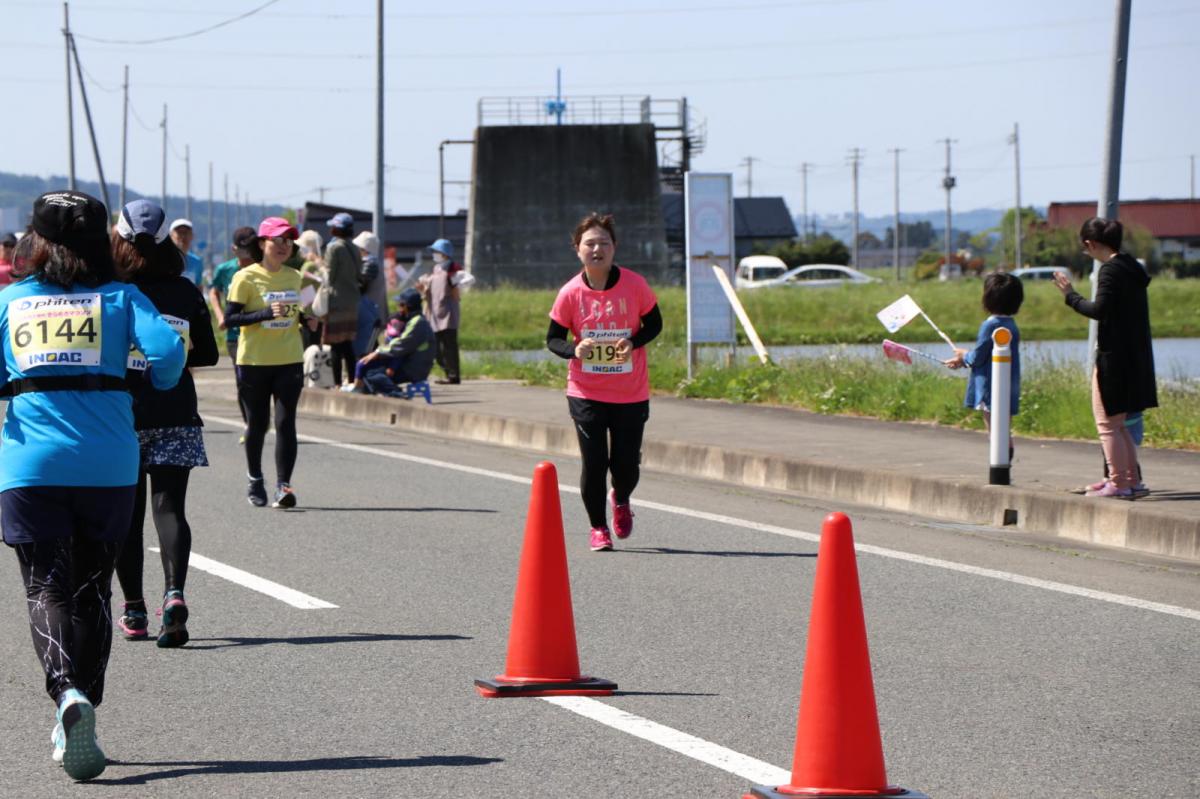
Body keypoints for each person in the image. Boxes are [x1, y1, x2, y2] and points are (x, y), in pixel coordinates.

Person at [0, 191, 185, 780]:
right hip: (109, 463)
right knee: (92, 592)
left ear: (38, 243)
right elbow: (170, 360)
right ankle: (83, 708)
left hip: (31, 465)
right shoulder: (122, 297)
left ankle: (65, 696)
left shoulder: (11, 302)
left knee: (45, 590)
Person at [110, 199, 219, 649]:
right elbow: (209, 354)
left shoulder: (111, 292)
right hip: (176, 412)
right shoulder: (186, 292)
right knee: (170, 509)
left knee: (126, 517)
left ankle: (134, 610)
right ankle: (174, 594)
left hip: (120, 416)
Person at [546, 213, 662, 552]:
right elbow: (553, 338)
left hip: (630, 392)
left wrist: (634, 342)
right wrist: (574, 348)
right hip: (586, 392)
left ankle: (621, 498)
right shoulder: (570, 293)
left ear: (614, 248)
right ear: (577, 249)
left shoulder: (635, 285)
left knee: (626, 465)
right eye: (590, 244)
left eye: (604, 243)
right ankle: (598, 527)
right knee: (593, 463)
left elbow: (654, 325)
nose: (597, 249)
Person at [1054, 217, 1157, 500]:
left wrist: (1069, 295)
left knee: (1107, 423)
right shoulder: (1132, 266)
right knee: (1119, 423)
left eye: (1086, 248)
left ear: (1092, 244)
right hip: (1133, 355)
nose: (1087, 252)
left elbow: (1099, 309)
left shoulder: (1110, 271)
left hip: (1114, 358)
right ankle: (1130, 481)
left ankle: (1118, 483)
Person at [224, 217, 316, 508]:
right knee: (258, 424)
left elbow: (294, 310)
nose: (284, 246)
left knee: (286, 423)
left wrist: (305, 318)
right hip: (254, 361)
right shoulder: (245, 277)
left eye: (289, 241)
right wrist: (263, 314)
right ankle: (255, 479)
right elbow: (230, 320)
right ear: (262, 243)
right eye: (278, 240)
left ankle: (283, 487)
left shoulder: (294, 276)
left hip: (289, 359)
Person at [944, 272, 1023, 460]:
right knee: (1003, 427)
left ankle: (1000, 465)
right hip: (1009, 383)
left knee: (994, 427)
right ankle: (1004, 461)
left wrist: (964, 356)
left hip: (991, 385)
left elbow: (978, 356)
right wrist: (964, 357)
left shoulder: (990, 325)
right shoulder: (1011, 325)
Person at [209, 226, 258, 433]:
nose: (248, 252)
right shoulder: (225, 269)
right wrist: (221, 316)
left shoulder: (262, 269)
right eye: (244, 248)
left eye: (252, 247)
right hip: (235, 336)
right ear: (234, 249)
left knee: (258, 382)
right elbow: (214, 292)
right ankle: (250, 425)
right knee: (242, 380)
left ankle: (258, 422)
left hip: (259, 333)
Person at [349, 288, 434, 396]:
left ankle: (396, 393)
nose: (398, 309)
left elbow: (401, 345)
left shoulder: (417, 323)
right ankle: (381, 391)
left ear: (407, 306)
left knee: (371, 374)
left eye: (400, 305)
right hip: (410, 363)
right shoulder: (414, 320)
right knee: (369, 369)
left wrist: (377, 352)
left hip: (414, 368)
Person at [322, 212, 361, 388]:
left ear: (337, 229)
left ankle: (337, 382)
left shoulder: (333, 248)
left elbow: (328, 276)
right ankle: (352, 380)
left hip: (336, 301)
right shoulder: (354, 248)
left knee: (336, 344)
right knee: (347, 343)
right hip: (352, 301)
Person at [418, 237, 464, 385]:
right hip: (435, 314)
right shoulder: (436, 269)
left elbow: (456, 293)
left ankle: (453, 376)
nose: (434, 254)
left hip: (448, 313)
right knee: (436, 348)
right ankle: (448, 372)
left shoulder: (453, 268)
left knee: (449, 347)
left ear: (444, 253)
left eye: (436, 251)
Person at [169, 219, 205, 287]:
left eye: (186, 232)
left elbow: (198, 286)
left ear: (192, 236)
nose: (183, 236)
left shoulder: (197, 262)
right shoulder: (163, 260)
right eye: (179, 232)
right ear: (171, 236)